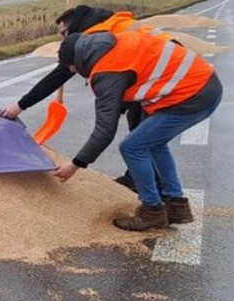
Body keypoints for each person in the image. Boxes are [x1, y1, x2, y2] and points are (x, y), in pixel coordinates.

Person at [51, 30, 223, 232]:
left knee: (132, 147)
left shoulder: (106, 71)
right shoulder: (113, 43)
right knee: (154, 144)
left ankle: (153, 211)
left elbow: (105, 131)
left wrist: (75, 164)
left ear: (78, 61)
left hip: (192, 95)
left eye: (70, 67)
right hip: (203, 85)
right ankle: (176, 205)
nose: (72, 71)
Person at [0, 5, 161, 191]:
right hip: (149, 70)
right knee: (140, 130)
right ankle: (140, 179)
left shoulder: (93, 37)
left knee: (141, 137)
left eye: (64, 33)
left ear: (73, 26)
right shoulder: (105, 24)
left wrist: (21, 105)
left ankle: (157, 191)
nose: (63, 39)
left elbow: (60, 75)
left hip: (158, 75)